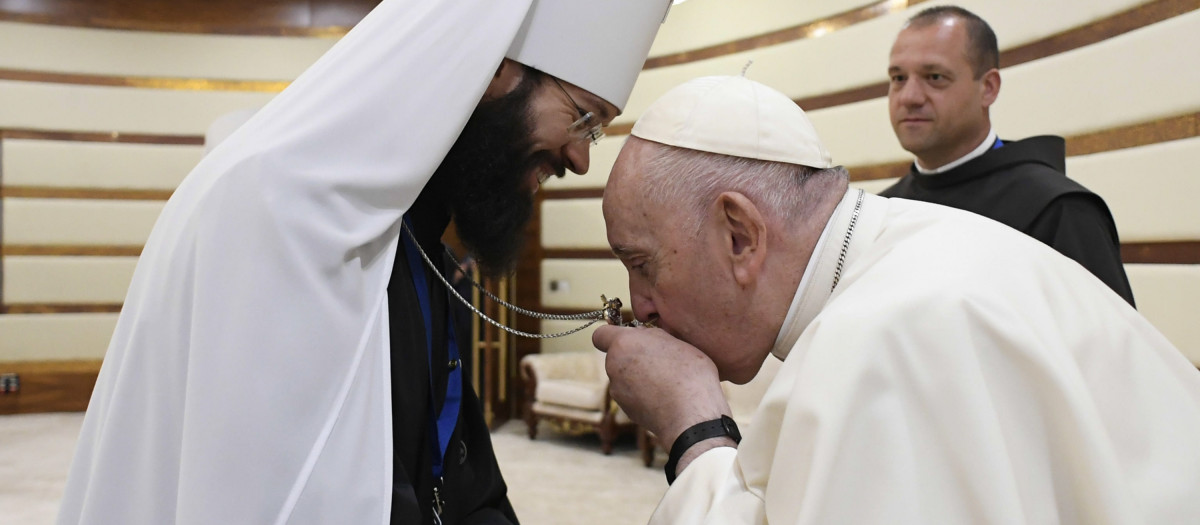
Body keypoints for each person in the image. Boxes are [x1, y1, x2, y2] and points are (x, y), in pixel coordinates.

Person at [57, 1, 671, 524]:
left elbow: (459, 472)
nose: (580, 159)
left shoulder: (422, 244)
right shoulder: (272, 209)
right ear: (495, 71)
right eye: (583, 119)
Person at [593, 75, 1200, 524]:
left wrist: (693, 425)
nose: (639, 305)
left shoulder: (883, 336)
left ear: (740, 235)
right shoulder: (912, 245)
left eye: (641, 264)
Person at [879, 6, 1136, 306]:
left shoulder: (1057, 210)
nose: (909, 97)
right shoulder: (883, 211)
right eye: (898, 78)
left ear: (988, 88)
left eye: (934, 77)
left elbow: (1109, 347)